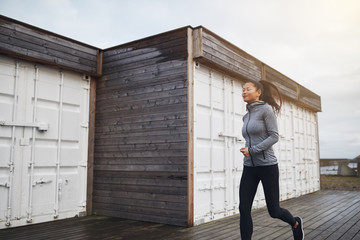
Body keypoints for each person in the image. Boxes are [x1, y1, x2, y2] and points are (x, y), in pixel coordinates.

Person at [239, 80, 304, 240]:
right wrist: (247, 150)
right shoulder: (246, 116)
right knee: (244, 208)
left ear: (258, 92)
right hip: (249, 167)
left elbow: (274, 136)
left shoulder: (266, 110)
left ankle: (295, 224)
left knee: (274, 211)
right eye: (242, 90)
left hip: (267, 166)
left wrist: (252, 150)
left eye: (248, 89)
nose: (244, 92)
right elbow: (253, 138)